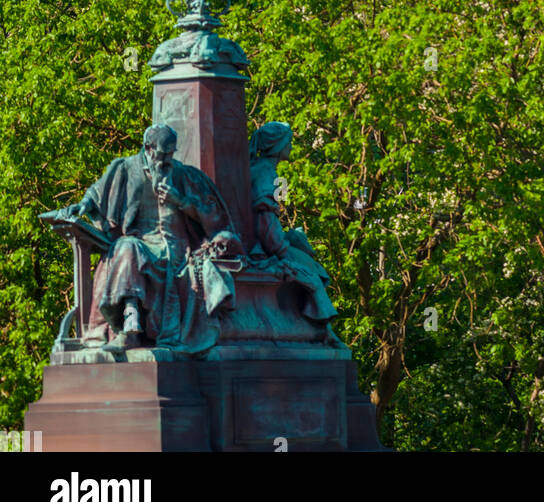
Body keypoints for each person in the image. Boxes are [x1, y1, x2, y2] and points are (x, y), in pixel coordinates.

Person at [60, 124, 240, 354]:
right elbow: (96, 194)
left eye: (171, 153)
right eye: (162, 153)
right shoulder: (126, 169)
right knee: (125, 247)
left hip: (176, 248)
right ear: (148, 148)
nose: (167, 159)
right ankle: (129, 324)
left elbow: (213, 216)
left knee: (133, 250)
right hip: (140, 244)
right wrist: (81, 206)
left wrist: (181, 201)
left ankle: (136, 325)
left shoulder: (184, 176)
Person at [248, 122, 338, 333]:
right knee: (313, 270)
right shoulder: (266, 174)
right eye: (289, 142)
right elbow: (265, 222)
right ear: (278, 145)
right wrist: (282, 250)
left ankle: (317, 329)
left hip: (265, 241)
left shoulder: (262, 170)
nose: (291, 147)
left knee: (304, 250)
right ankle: (318, 329)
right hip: (268, 246)